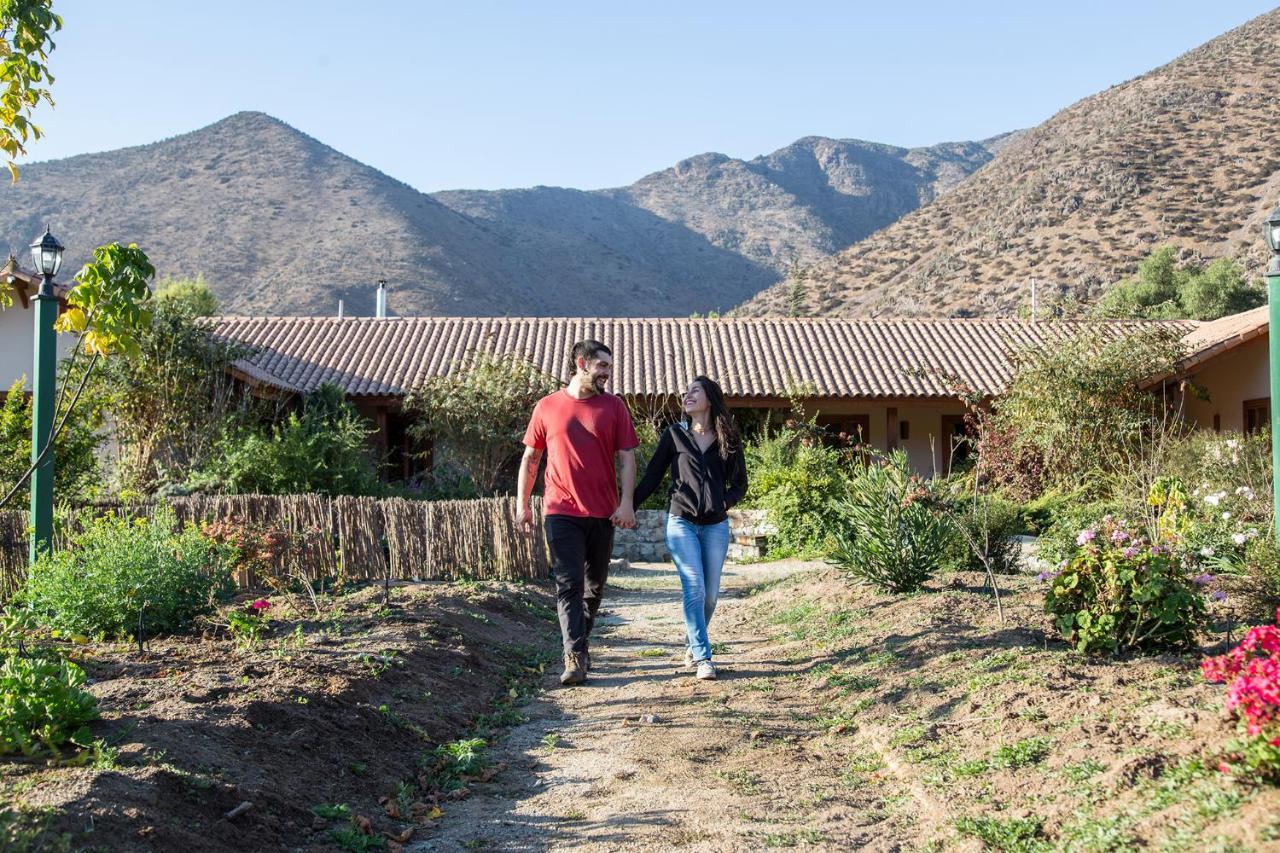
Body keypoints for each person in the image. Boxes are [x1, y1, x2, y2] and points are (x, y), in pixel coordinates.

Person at [517, 339, 638, 686]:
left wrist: (626, 503)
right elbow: (531, 458)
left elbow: (627, 457)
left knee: (593, 589)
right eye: (602, 366)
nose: (607, 374)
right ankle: (573, 656)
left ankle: (579, 647)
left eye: (609, 368)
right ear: (582, 364)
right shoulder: (547, 406)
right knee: (567, 584)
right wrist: (522, 505)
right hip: (560, 510)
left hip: (602, 512)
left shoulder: (614, 407)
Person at [633, 376, 747, 681]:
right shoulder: (674, 436)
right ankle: (702, 656)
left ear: (710, 398)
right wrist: (627, 506)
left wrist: (725, 502)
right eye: (686, 391)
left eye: (695, 390)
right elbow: (652, 477)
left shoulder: (728, 438)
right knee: (694, 587)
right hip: (681, 521)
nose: (687, 395)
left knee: (710, 597)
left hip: (715, 526)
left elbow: (740, 484)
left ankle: (692, 641)